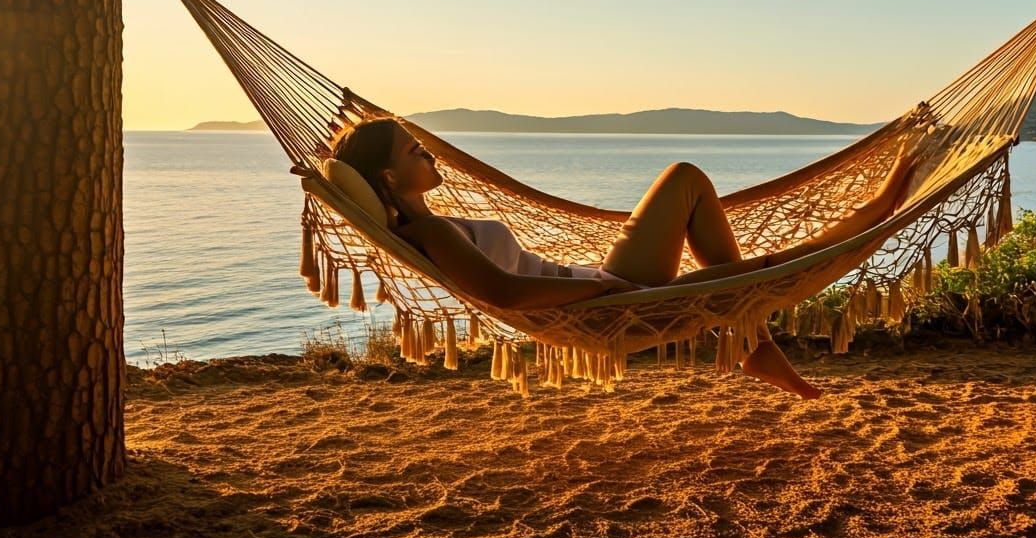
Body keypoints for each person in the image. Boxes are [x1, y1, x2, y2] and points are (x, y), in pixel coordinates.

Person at [329, 118, 922, 400]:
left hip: (601, 287)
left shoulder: (430, 224)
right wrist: (599, 294)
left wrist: (597, 286)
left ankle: (755, 344)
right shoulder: (431, 230)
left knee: (691, 189)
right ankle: (881, 204)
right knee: (760, 270)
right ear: (389, 175)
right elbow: (504, 294)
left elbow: (507, 286)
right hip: (606, 300)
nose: (428, 153)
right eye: (415, 150)